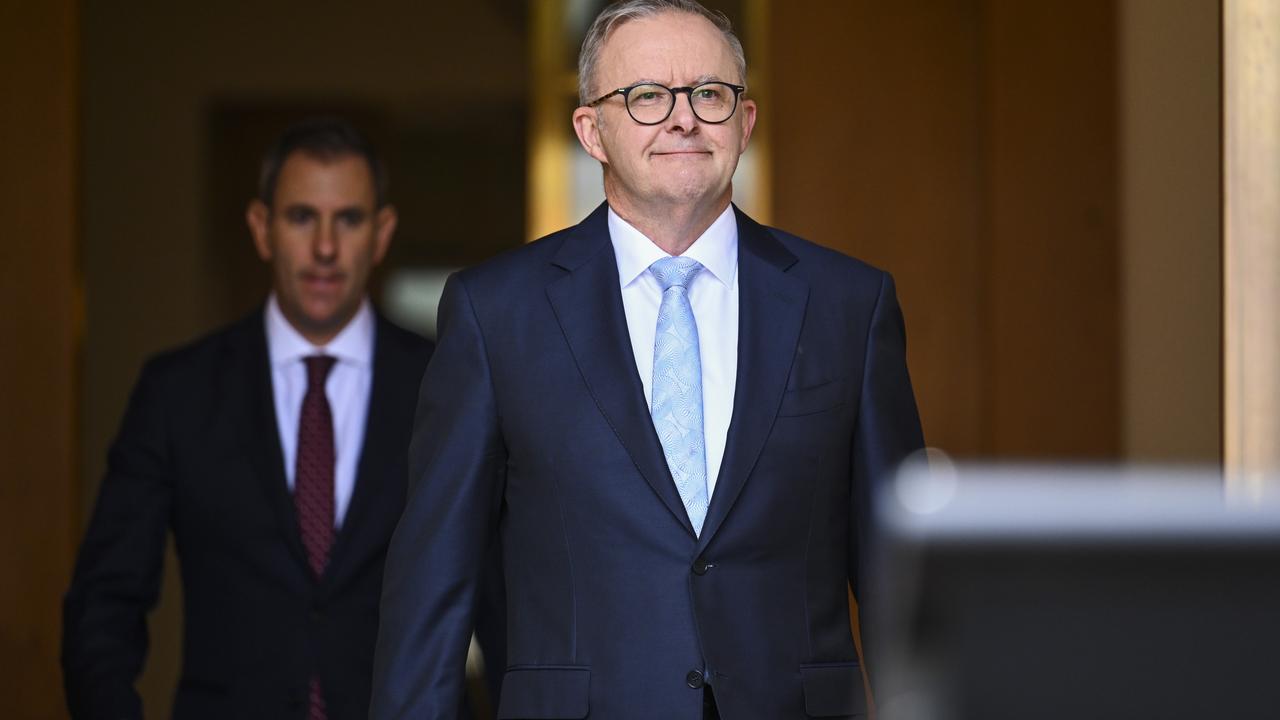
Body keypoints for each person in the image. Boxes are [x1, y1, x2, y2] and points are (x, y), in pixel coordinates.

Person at [371, 1, 924, 718]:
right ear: (590, 131)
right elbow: (434, 587)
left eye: (709, 94)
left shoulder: (850, 304)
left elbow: (904, 581)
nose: (683, 118)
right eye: (645, 97)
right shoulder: (495, 313)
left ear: (746, 123)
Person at [62, 118, 436, 720]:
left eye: (348, 219)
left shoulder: (446, 386)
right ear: (262, 229)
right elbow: (104, 603)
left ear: (381, 233)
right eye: (299, 217)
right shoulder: (176, 392)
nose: (324, 247)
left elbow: (504, 599)